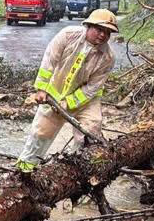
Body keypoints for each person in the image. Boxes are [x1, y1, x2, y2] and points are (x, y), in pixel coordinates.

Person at [16, 9, 117, 172]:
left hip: (86, 101)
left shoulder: (108, 58)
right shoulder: (68, 35)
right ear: (89, 26)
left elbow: (92, 88)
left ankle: (77, 171)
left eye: (108, 32)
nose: (103, 35)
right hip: (54, 95)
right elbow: (49, 60)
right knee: (40, 134)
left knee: (90, 132)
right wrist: (41, 88)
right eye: (99, 29)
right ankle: (24, 170)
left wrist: (68, 103)